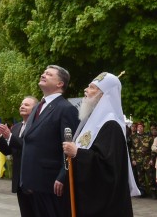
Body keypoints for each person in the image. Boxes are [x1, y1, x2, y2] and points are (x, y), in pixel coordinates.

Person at [60, 72, 138, 217]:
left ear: (103, 95)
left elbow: (108, 167)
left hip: (104, 206)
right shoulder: (91, 121)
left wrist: (78, 153)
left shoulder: (111, 125)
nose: (86, 90)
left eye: (92, 88)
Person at [17, 65, 79, 217]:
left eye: (49, 74)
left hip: (50, 183)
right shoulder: (38, 106)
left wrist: (62, 176)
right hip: (30, 182)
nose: (43, 75)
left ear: (60, 84)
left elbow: (70, 145)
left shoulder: (65, 109)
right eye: (44, 72)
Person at [0, 95, 37, 216]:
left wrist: (9, 136)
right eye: (21, 104)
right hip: (19, 181)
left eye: (27, 105)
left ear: (36, 108)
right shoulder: (16, 127)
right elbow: (9, 151)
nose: (22, 106)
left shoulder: (38, 126)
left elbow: (29, 148)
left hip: (34, 179)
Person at [128, 121, 154, 197]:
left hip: (147, 159)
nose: (140, 128)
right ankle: (142, 191)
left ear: (143, 128)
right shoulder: (133, 137)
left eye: (141, 127)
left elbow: (152, 148)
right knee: (140, 177)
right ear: (136, 128)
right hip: (138, 160)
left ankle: (152, 191)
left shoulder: (148, 137)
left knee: (150, 176)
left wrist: (152, 159)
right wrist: (133, 159)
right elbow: (132, 149)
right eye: (138, 127)